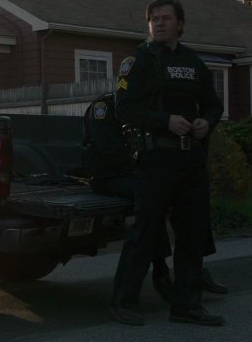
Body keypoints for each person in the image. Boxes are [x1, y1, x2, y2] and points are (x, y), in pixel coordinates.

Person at [109, 0, 225, 326]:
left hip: (190, 159)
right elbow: (125, 108)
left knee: (192, 233)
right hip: (155, 158)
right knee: (144, 233)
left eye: (165, 18)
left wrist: (207, 122)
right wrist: (165, 121)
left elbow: (214, 105)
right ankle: (123, 302)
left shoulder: (193, 62)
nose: (158, 23)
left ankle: (187, 306)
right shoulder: (138, 61)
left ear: (180, 24)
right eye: (154, 19)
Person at [82, 93, 228, 305]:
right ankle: (161, 271)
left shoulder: (148, 108)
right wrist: (148, 168)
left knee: (189, 197)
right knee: (154, 197)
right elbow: (109, 149)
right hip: (110, 176)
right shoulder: (105, 106)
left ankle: (195, 269)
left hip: (140, 172)